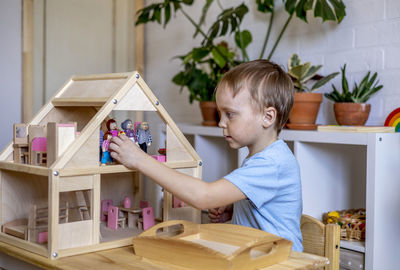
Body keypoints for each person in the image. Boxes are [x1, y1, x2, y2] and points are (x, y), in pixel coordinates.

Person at [109, 60, 303, 251]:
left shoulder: (272, 163)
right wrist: (236, 209)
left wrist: (140, 160)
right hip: (260, 257)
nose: (221, 123)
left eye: (230, 114)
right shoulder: (264, 158)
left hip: (284, 263)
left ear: (267, 117)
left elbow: (203, 196)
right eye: (221, 114)